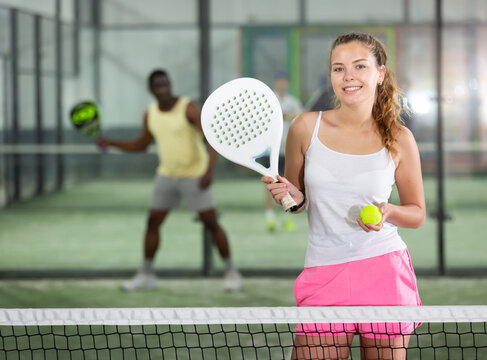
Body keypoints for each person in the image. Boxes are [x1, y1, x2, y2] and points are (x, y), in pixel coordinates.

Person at [263, 32, 425, 359]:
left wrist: (388, 213)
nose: (348, 76)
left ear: (380, 74)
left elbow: (417, 213)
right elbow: (298, 202)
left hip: (384, 273)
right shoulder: (305, 128)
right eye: (338, 68)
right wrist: (291, 197)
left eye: (359, 66)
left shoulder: (400, 138)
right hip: (323, 273)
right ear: (331, 77)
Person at [96, 69, 241, 292]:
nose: (163, 89)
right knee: (153, 222)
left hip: (195, 175)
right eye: (158, 86)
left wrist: (209, 172)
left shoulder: (188, 108)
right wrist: (110, 143)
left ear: (170, 85)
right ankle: (146, 275)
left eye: (165, 84)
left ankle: (231, 272)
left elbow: (213, 139)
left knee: (211, 222)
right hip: (166, 175)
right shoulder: (150, 114)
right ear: (151, 90)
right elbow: (142, 144)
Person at [265, 71, 303, 232]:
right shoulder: (268, 100)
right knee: (271, 184)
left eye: (284, 81)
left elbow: (301, 118)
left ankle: (288, 216)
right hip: (271, 149)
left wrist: (289, 116)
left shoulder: (293, 102)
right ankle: (270, 218)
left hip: (288, 148)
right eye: (279, 80)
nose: (281, 84)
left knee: (288, 183)